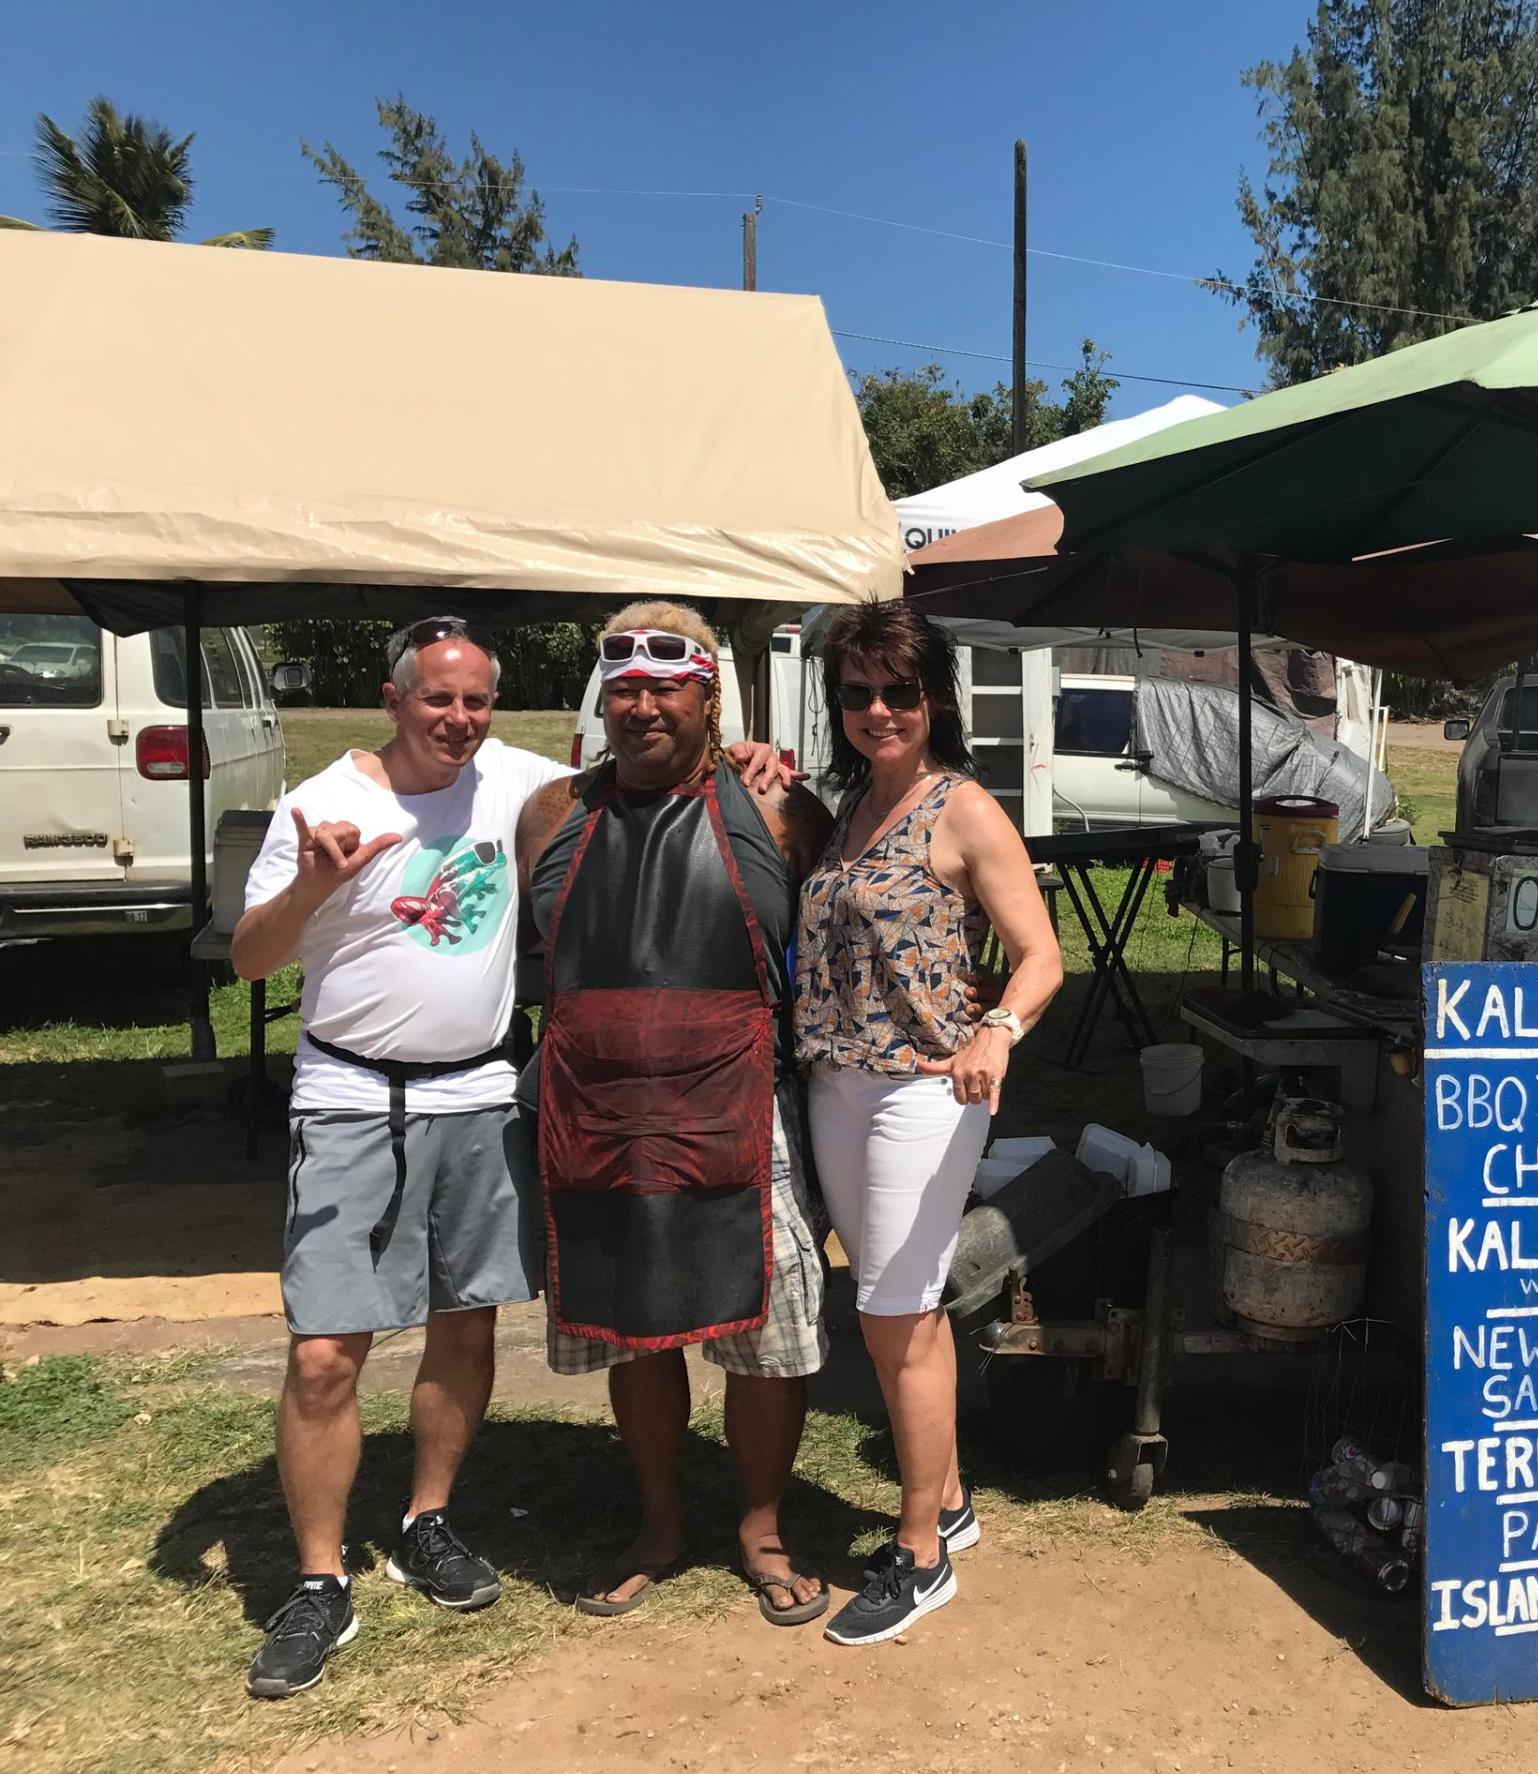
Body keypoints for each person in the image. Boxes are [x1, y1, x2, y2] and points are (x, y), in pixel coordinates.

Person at [232, 615, 785, 1699]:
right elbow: (252, 961)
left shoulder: (524, 788)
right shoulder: (322, 802)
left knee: (463, 1326)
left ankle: (429, 1520)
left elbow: (652, 752)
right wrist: (310, 887)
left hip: (483, 1090)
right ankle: (317, 1580)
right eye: (437, 699)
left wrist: (750, 755)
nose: (458, 719)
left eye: (477, 700)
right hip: (353, 1095)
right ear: (392, 700)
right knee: (323, 1352)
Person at [517, 603, 839, 1626]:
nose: (642, 703)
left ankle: (760, 1524)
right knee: (633, 1327)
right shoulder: (551, 812)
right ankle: (659, 1523)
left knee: (774, 1336)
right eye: (624, 686)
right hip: (599, 1113)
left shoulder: (779, 810)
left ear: (708, 695)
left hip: (737, 1106)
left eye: (666, 685)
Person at [795, 599, 1062, 1646]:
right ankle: (944, 1497)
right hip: (836, 1082)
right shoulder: (848, 803)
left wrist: (998, 1027)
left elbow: (1042, 954)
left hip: (927, 1087)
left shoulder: (964, 811)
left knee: (895, 1311)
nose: (877, 710)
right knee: (892, 1301)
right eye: (857, 692)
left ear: (935, 697)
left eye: (898, 691)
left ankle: (920, 1552)